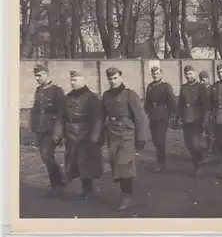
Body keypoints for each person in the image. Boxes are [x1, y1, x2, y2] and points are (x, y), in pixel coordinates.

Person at [101, 67, 148, 211]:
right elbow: (101, 117)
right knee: (117, 164)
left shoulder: (129, 95)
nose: (113, 81)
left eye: (115, 78)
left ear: (121, 78)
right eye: (110, 79)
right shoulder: (106, 95)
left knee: (124, 164)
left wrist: (141, 137)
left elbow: (140, 117)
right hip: (112, 134)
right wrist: (98, 136)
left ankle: (127, 196)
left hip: (127, 133)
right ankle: (125, 193)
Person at [61, 70, 103, 200]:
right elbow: (62, 116)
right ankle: (82, 190)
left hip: (86, 134)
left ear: (83, 80)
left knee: (85, 163)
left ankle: (88, 191)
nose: (72, 82)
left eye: (75, 80)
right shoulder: (68, 97)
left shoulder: (92, 97)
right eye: (71, 80)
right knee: (73, 162)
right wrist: (59, 132)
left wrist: (95, 136)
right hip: (71, 134)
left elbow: (98, 118)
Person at [30, 64, 66, 197]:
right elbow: (35, 110)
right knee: (45, 157)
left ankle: (59, 184)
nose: (37, 78)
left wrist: (58, 130)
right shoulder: (39, 90)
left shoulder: (56, 90)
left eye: (39, 75)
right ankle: (56, 184)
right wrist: (33, 127)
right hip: (41, 128)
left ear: (46, 74)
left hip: (52, 129)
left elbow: (62, 112)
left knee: (47, 155)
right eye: (36, 76)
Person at [177, 65, 210, 177]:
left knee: (195, 144)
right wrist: (178, 118)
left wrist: (204, 120)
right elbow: (180, 104)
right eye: (186, 74)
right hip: (186, 119)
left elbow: (205, 105)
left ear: (194, 73)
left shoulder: (200, 87)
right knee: (188, 144)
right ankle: (197, 160)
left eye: (190, 73)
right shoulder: (183, 87)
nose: (188, 76)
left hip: (197, 118)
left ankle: (198, 164)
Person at [144, 66, 177, 173]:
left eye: (157, 73)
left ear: (161, 74)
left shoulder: (166, 86)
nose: (155, 75)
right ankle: (161, 159)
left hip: (163, 115)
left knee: (160, 140)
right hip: (152, 115)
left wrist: (173, 116)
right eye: (153, 74)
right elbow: (147, 101)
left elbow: (171, 101)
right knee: (154, 140)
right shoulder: (150, 86)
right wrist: (146, 112)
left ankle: (161, 162)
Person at [199, 70, 216, 163]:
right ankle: (202, 154)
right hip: (200, 114)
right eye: (201, 80)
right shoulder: (200, 88)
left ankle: (210, 153)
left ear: (207, 79)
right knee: (200, 134)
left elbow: (215, 103)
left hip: (210, 114)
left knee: (211, 134)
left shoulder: (212, 88)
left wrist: (212, 114)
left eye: (204, 79)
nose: (202, 82)